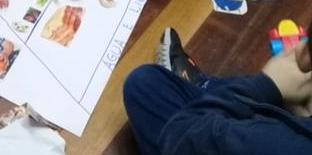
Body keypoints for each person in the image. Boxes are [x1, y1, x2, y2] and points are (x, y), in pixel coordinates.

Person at [123, 26, 312, 154]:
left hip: (187, 134)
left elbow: (181, 134)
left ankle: (205, 87)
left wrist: (265, 85)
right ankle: (205, 86)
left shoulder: (269, 141)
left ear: (305, 58)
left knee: (143, 84)